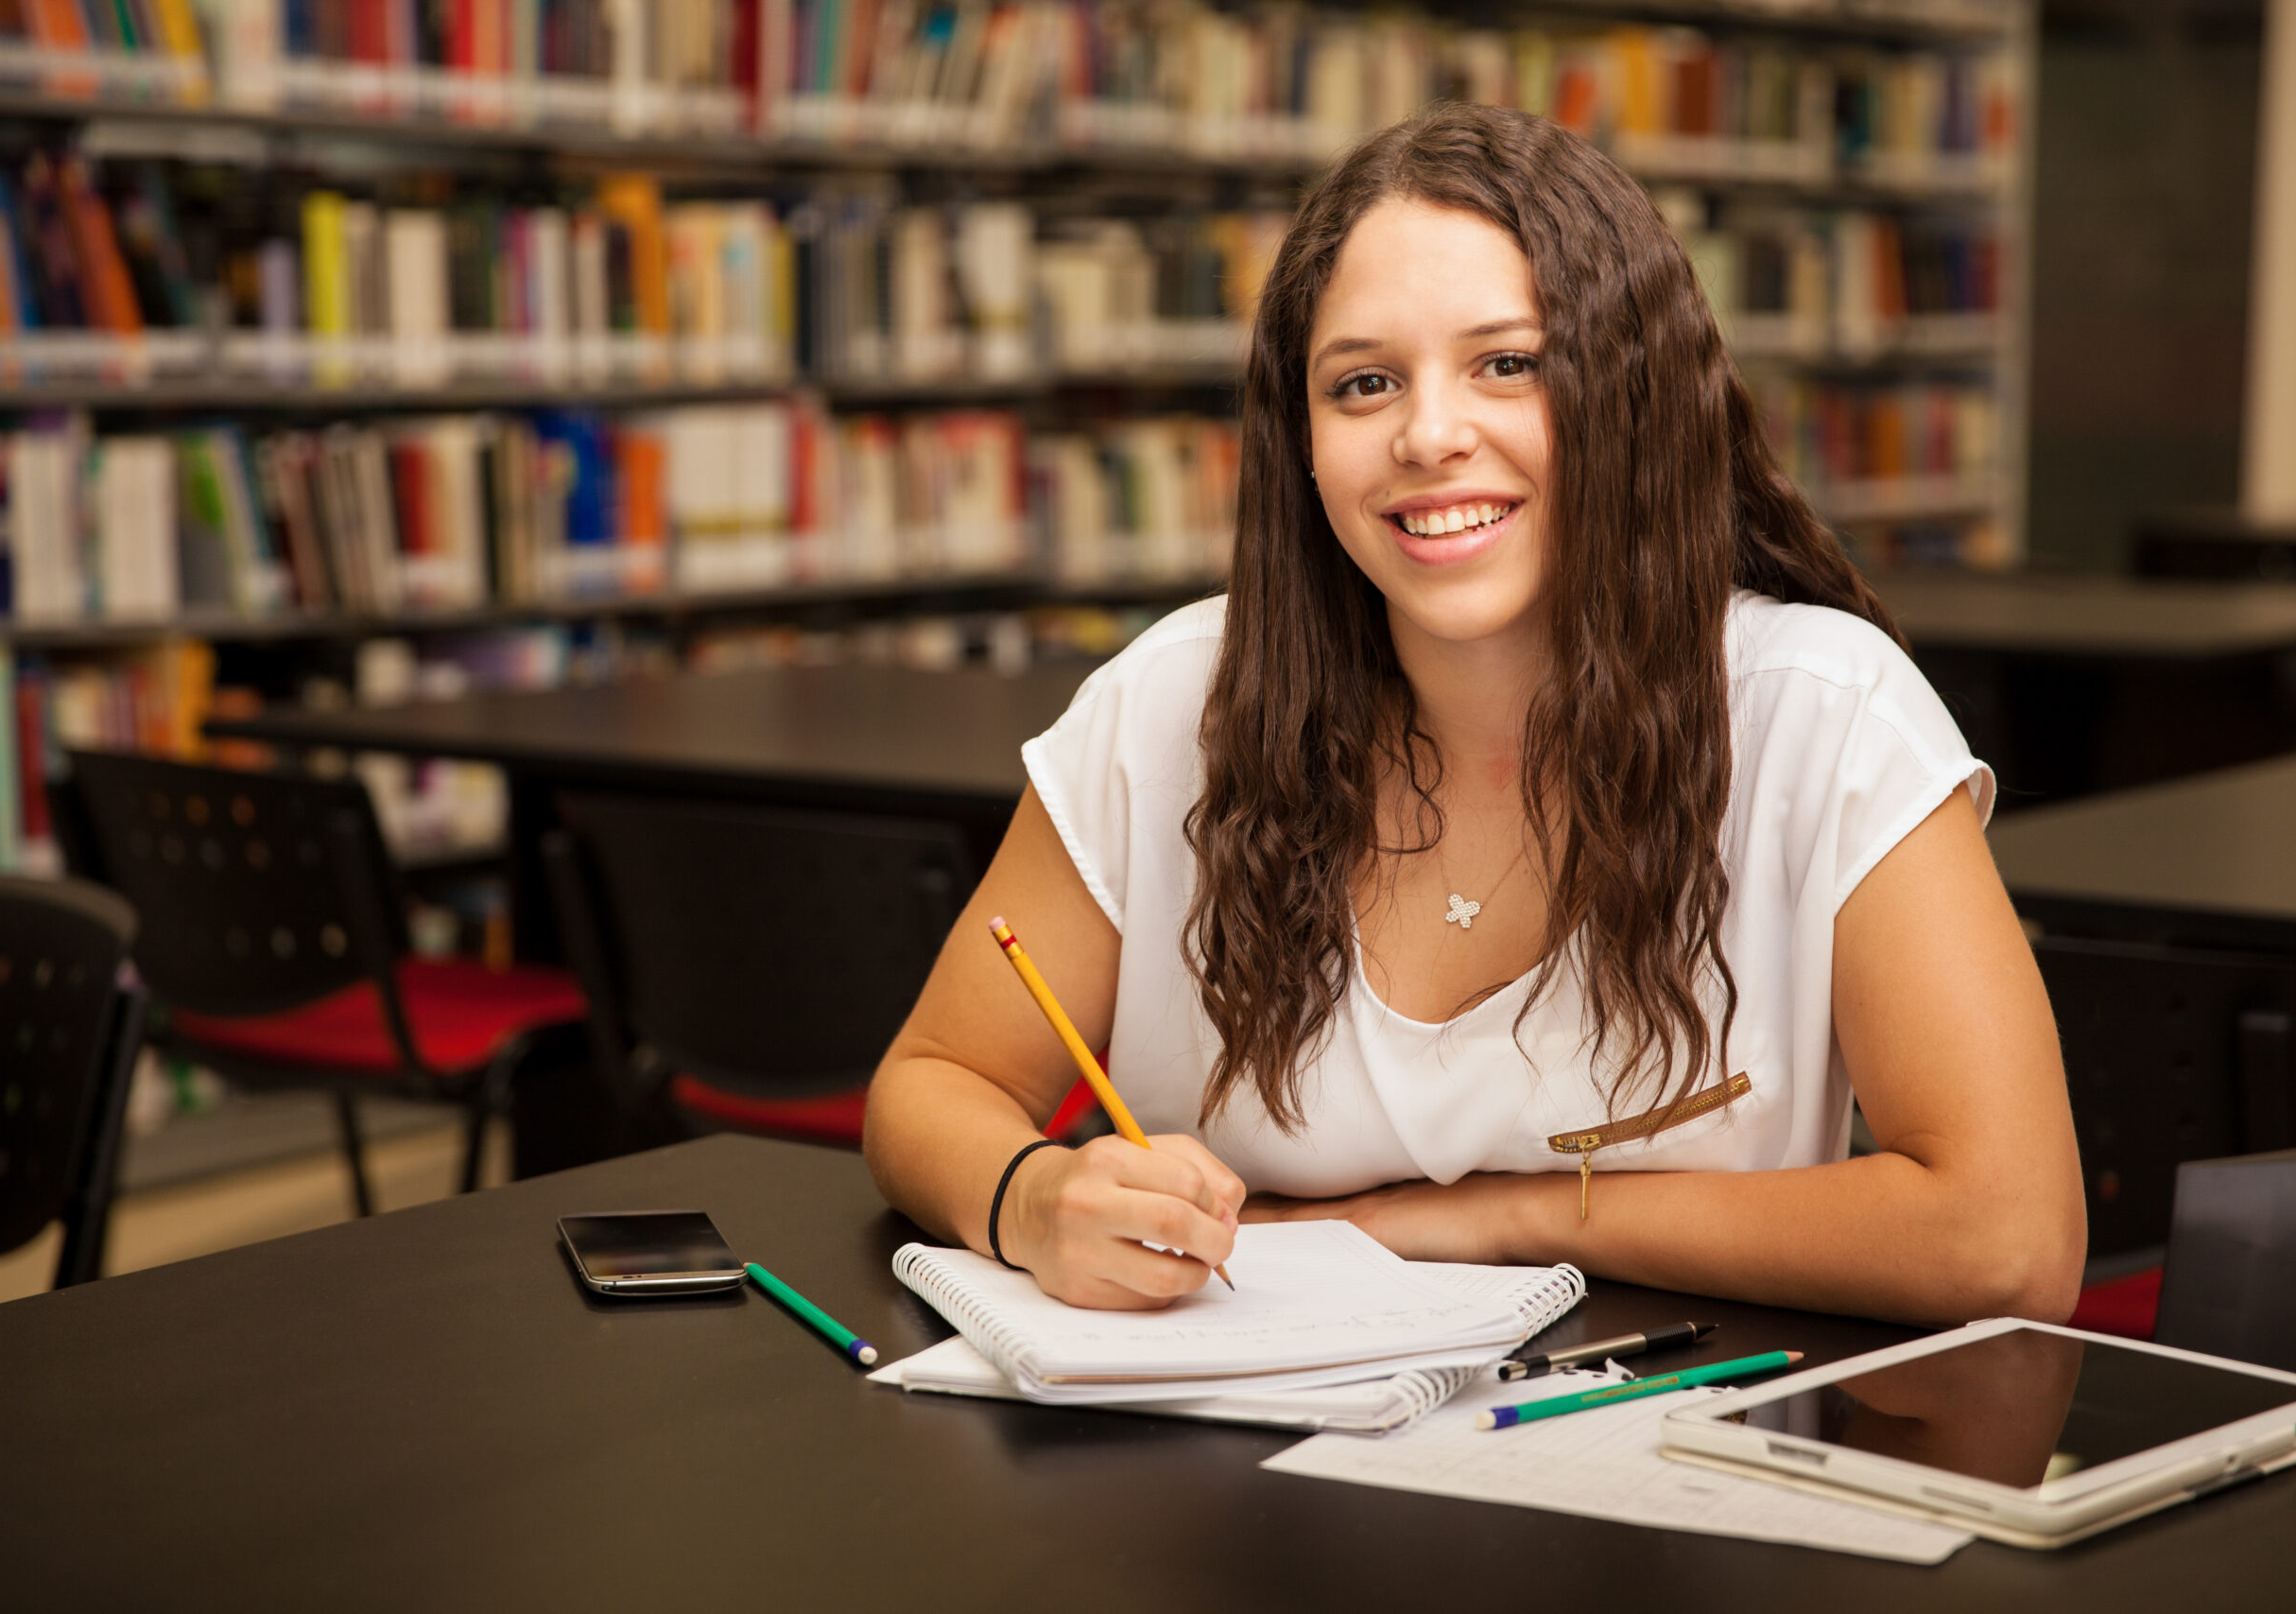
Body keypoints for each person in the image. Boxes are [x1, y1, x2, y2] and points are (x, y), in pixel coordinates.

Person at [863, 102, 2085, 1324]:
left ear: (1629, 393)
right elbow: (933, 1083)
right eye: (1364, 383)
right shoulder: (1170, 705)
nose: (1429, 435)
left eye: (1509, 363)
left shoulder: (1829, 718)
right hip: (1230, 1486)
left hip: (1666, 1472)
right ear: (1300, 439)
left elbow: (2007, 1238)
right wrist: (1033, 1201)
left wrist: (1484, 1218)